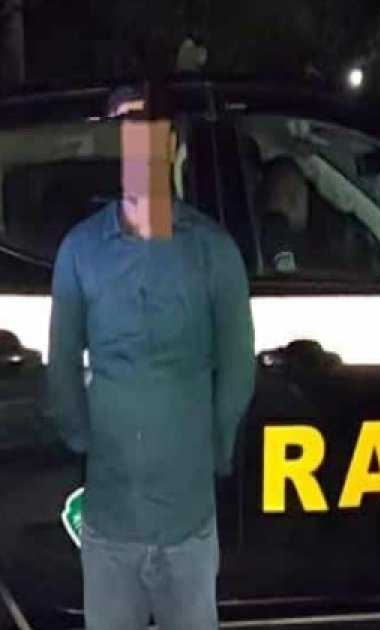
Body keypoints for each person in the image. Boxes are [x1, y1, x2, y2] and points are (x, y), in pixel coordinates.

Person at [47, 85, 255, 630]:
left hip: (186, 523)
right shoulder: (82, 250)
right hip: (112, 523)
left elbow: (239, 367)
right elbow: (61, 369)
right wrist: (87, 443)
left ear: (173, 148)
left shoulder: (213, 251)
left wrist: (214, 449)